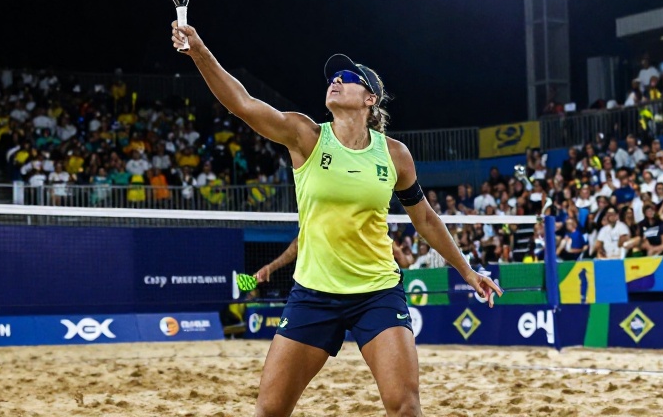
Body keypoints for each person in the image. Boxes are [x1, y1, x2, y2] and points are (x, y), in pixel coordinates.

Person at [172, 22, 502, 417]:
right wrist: (199, 51)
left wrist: (467, 271)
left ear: (370, 99)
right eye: (333, 77)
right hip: (313, 294)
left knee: (405, 406)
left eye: (348, 78)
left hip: (377, 293)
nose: (336, 81)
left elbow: (426, 219)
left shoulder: (395, 155)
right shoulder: (305, 135)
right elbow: (240, 103)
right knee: (269, 411)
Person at [255, 235, 416, 283]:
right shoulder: (319, 224)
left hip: (370, 291)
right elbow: (296, 247)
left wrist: (408, 258)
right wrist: (270, 268)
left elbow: (404, 261)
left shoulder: (375, 231)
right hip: (325, 289)